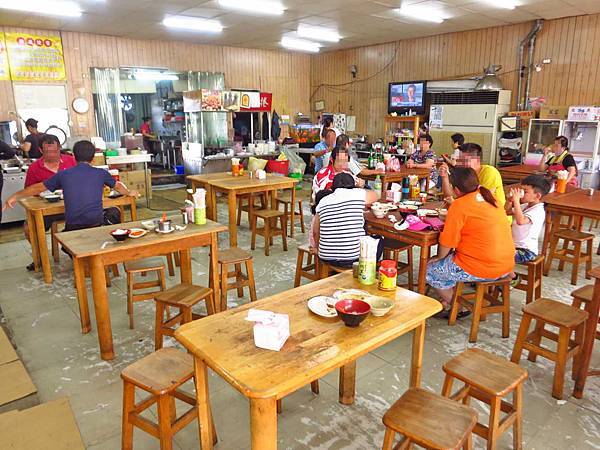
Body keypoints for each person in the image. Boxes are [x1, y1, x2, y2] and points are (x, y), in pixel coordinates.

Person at [426, 167, 515, 315]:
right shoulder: (491, 199)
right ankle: (450, 296)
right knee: (449, 261)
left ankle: (457, 306)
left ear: (456, 190)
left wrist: (438, 258)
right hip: (506, 265)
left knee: (431, 270)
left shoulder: (459, 205)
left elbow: (447, 243)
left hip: (485, 267)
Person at [3, 140, 138, 232]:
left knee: (69, 234)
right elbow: (118, 186)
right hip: (96, 224)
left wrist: (15, 196)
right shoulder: (101, 173)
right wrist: (128, 192)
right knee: (114, 212)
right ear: (93, 158)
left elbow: (38, 188)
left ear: (73, 155)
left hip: (73, 227)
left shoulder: (64, 174)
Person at [19, 135, 77, 270]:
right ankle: (39, 257)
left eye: (55, 151)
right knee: (29, 228)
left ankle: (79, 253)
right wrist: (41, 193)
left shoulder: (71, 161)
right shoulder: (34, 168)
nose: (52, 155)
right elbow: (28, 190)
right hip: (47, 208)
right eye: (47, 152)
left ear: (60, 149)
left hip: (71, 206)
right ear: (40, 150)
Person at [313, 173, 379, 268]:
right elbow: (376, 195)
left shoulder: (323, 201)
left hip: (325, 256)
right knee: (379, 239)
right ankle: (368, 273)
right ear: (353, 186)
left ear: (332, 188)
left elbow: (315, 232)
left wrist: (319, 248)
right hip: (353, 257)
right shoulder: (358, 193)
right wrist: (361, 186)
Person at [506, 175, 551, 285]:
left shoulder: (538, 211)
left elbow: (521, 220)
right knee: (491, 250)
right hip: (513, 246)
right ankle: (499, 278)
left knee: (497, 256)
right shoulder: (526, 205)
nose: (521, 193)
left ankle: (513, 277)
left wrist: (516, 201)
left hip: (526, 251)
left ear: (537, 196)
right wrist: (510, 201)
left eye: (525, 191)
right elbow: (506, 211)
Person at [439, 142, 506, 210]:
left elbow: (480, 201)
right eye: (459, 160)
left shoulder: (490, 172)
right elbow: (450, 196)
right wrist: (445, 177)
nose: (460, 164)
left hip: (492, 215)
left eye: (464, 161)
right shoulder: (464, 174)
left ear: (477, 160)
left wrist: (456, 204)